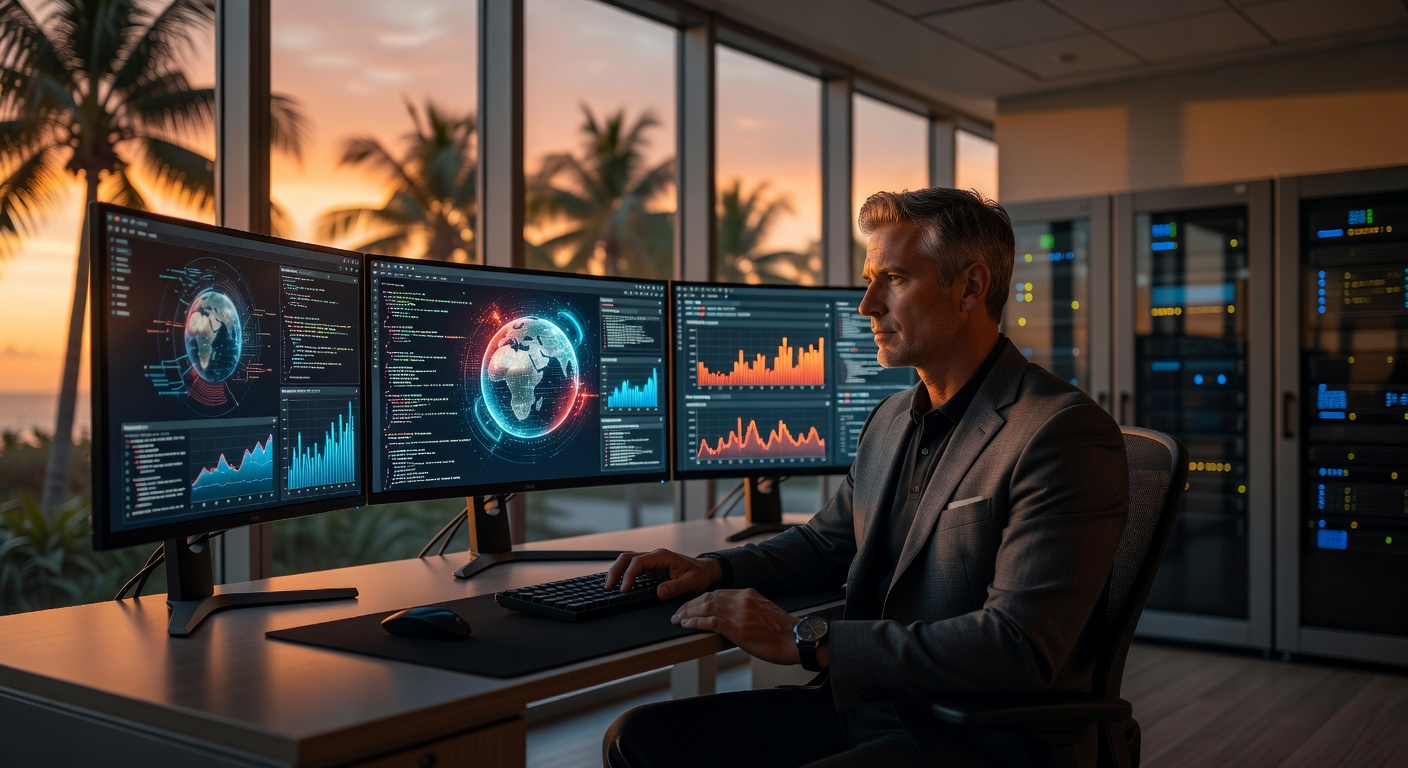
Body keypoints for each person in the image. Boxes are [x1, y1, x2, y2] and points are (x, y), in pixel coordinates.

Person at [602, 187, 1128, 767]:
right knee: (635, 741)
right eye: (869, 278)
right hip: (862, 704)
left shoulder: (1060, 433)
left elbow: (1017, 646)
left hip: (966, 737)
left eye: (895, 279)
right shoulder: (892, 419)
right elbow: (828, 543)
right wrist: (716, 569)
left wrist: (808, 640)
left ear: (971, 287)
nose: (867, 304)